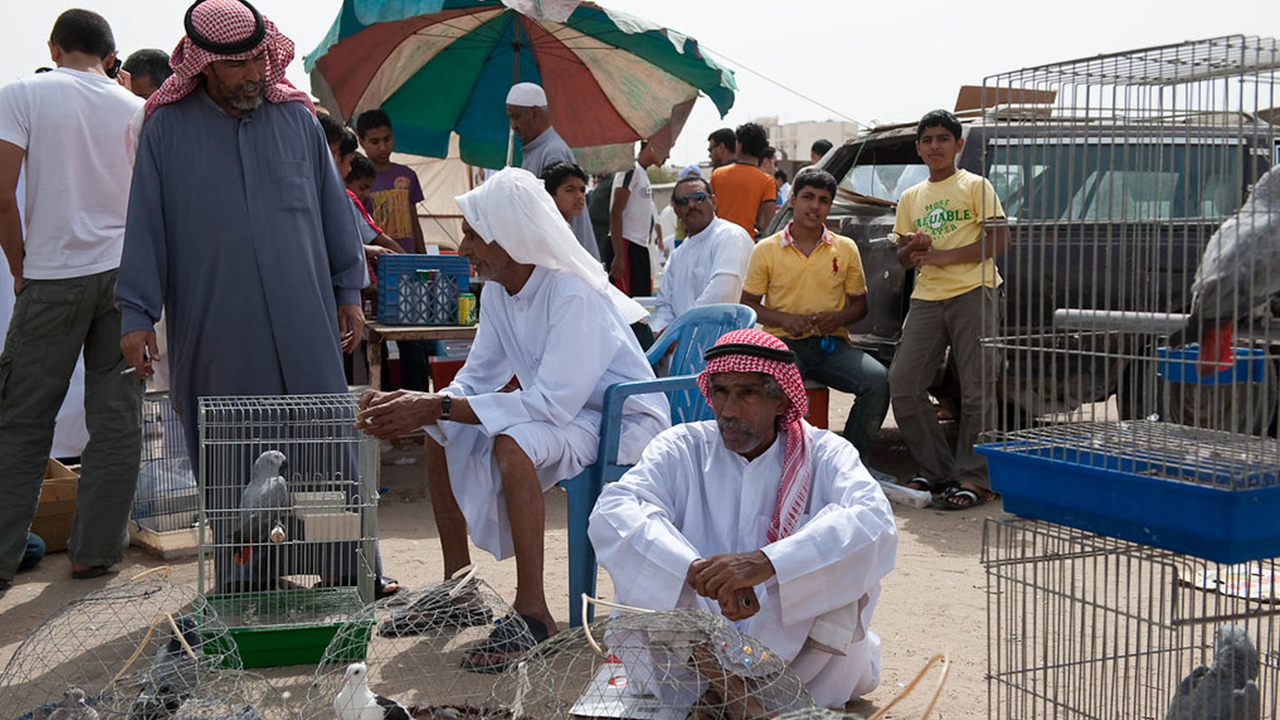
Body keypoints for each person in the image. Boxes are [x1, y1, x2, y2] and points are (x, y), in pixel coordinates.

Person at [116, 0, 397, 597]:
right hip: (218, 326)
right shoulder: (165, 130)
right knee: (232, 453)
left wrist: (348, 290)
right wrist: (136, 313)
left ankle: (348, 569)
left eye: (257, 61)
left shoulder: (296, 120)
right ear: (204, 65)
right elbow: (145, 226)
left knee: (325, 444)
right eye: (237, 66)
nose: (252, 75)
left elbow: (332, 212)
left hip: (305, 322)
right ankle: (251, 579)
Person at [355, 168, 669, 668]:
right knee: (440, 430)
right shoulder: (500, 292)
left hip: (620, 421)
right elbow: (477, 379)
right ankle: (459, 590)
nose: (463, 248)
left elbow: (552, 404)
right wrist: (420, 404)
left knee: (511, 443)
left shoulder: (571, 292)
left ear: (510, 236)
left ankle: (534, 613)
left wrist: (434, 405)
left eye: (473, 234)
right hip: (567, 414)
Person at [589, 328, 897, 709]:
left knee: (840, 561)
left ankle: (725, 701)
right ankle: (732, 696)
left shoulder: (825, 454)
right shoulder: (682, 448)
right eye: (720, 392)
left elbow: (874, 521)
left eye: (747, 393)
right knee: (649, 561)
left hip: (802, 666)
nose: (729, 410)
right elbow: (614, 510)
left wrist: (767, 564)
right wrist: (694, 571)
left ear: (781, 400)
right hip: (690, 655)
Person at [0, 8, 144, 590]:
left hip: (52, 275)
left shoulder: (22, 93)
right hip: (124, 278)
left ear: (54, 47)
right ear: (111, 56)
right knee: (117, 419)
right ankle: (95, 552)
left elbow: (2, 196)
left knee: (22, 419)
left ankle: (2, 556)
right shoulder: (136, 107)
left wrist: (20, 267)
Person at [889, 109, 1010, 510]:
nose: (935, 146)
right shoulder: (911, 197)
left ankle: (976, 478)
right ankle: (938, 471)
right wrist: (914, 246)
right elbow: (903, 257)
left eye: (943, 138)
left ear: (958, 144)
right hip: (927, 297)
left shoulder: (975, 185)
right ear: (918, 148)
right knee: (903, 383)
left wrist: (943, 256)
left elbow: (1000, 241)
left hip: (975, 291)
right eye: (927, 140)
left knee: (977, 388)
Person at [741, 169, 890, 459]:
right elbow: (749, 304)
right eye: (808, 197)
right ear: (793, 200)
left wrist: (837, 319)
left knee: (878, 381)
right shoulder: (766, 249)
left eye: (823, 200)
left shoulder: (845, 248)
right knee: (778, 393)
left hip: (831, 345)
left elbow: (860, 306)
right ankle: (781, 463)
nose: (815, 206)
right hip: (783, 346)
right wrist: (786, 320)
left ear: (830, 206)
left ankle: (850, 460)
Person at [506, 82, 600, 261]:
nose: (513, 125)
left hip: (568, 260)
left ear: (534, 113)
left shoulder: (553, 153)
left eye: (516, 117)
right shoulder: (534, 150)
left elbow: (555, 218)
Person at [648, 175, 753, 335]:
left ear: (713, 202)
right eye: (683, 201)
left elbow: (722, 295)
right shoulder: (677, 255)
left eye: (698, 197)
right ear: (675, 209)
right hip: (681, 342)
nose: (691, 204)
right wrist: (660, 332)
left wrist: (679, 331)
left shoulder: (730, 236)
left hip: (725, 342)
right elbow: (664, 304)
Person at [354, 109, 426, 254]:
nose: (382, 147)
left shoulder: (408, 175)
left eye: (387, 139)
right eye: (375, 142)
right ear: (361, 142)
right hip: (376, 258)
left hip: (408, 257)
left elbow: (414, 221)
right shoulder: (357, 180)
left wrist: (422, 257)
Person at [608, 141, 667, 297]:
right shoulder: (630, 169)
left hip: (640, 246)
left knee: (641, 299)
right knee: (626, 302)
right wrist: (619, 254)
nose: (668, 156)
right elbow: (616, 211)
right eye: (666, 149)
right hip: (626, 245)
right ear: (652, 146)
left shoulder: (643, 174)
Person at [710, 123, 776, 240]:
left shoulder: (718, 174)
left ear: (739, 145)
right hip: (747, 241)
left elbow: (709, 210)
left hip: (718, 238)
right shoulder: (766, 181)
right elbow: (769, 222)